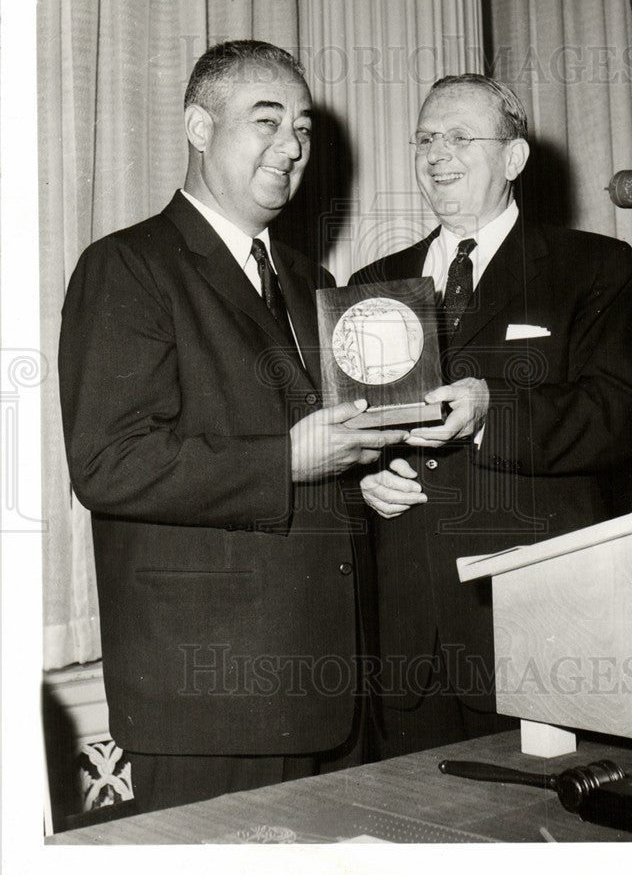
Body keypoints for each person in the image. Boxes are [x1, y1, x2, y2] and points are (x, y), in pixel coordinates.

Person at [58, 40, 408, 812]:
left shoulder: (312, 283)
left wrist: (362, 472)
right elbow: (109, 463)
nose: (293, 146)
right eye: (267, 121)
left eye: (305, 129)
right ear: (198, 127)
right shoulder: (127, 268)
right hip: (211, 711)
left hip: (333, 698)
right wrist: (287, 460)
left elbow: (317, 451)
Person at [350, 74, 632, 758]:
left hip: (534, 630)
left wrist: (493, 412)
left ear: (514, 159)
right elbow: (353, 429)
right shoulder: (372, 285)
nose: (435, 154)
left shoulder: (591, 267)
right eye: (425, 138)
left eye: (459, 137)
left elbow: (625, 416)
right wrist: (364, 481)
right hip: (408, 642)